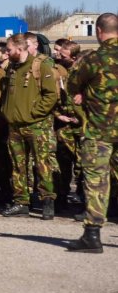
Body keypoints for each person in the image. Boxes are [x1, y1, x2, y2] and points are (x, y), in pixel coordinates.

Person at [65, 13, 118, 253]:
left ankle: (93, 236)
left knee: (96, 182)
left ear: (98, 31)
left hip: (100, 130)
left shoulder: (95, 58)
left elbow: (72, 83)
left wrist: (85, 92)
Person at [0, 33, 59, 219]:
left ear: (20, 48)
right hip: (15, 126)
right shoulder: (12, 68)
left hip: (36, 126)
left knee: (43, 165)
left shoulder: (41, 66)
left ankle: (47, 201)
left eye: (9, 50)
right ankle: (21, 202)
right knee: (18, 166)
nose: (6, 54)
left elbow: (51, 95)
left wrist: (34, 113)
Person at [53, 40, 85, 213]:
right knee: (62, 164)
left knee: (82, 166)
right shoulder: (58, 71)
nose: (58, 56)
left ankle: (83, 200)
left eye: (62, 55)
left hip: (81, 125)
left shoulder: (83, 73)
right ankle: (62, 197)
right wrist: (59, 116)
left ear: (73, 57)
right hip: (64, 125)